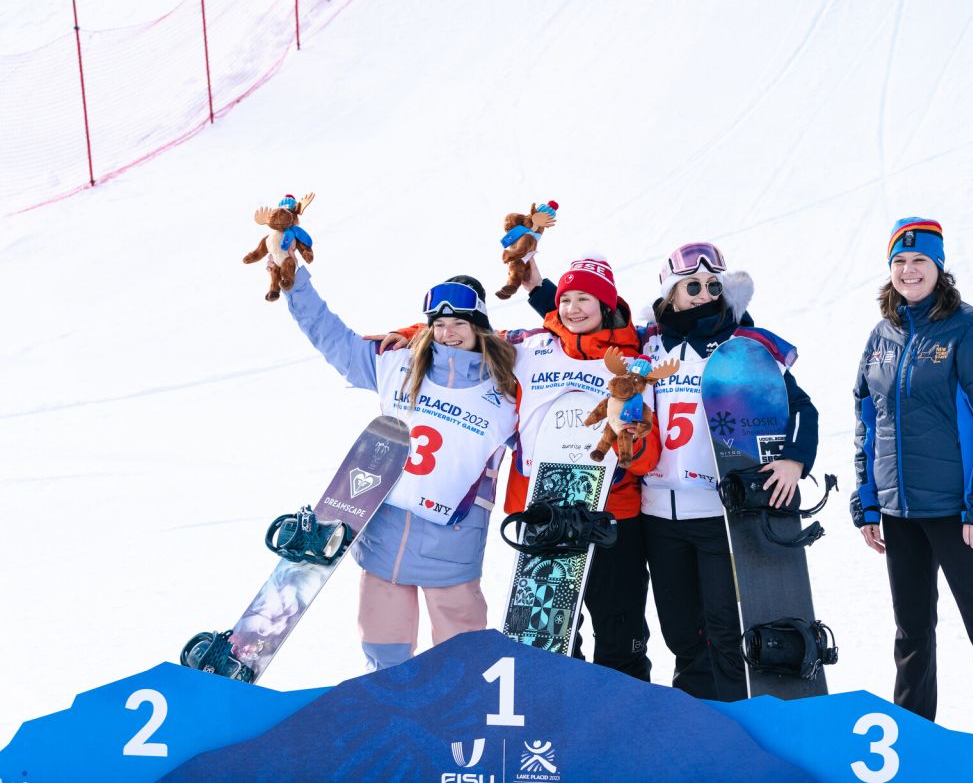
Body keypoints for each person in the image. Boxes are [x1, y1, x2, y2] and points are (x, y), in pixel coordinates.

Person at [383, 255, 659, 681]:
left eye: (585, 298)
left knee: (619, 634)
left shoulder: (633, 360)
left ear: (606, 304)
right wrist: (408, 334)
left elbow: (647, 457)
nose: (573, 308)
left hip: (611, 512)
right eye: (566, 299)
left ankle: (622, 728)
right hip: (543, 510)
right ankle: (551, 722)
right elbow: (469, 334)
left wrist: (630, 435)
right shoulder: (531, 347)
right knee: (546, 637)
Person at [849, 217, 973, 782]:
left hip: (959, 514)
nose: (909, 271)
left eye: (921, 262)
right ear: (890, 270)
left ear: (939, 268)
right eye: (900, 262)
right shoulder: (881, 336)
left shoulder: (968, 330)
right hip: (899, 513)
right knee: (911, 635)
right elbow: (866, 419)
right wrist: (868, 502)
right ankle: (907, 758)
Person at [284, 264, 519, 671]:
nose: (449, 333)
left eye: (459, 322)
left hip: (453, 542)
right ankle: (389, 711)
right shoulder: (398, 365)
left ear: (479, 325)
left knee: (462, 657)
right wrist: (294, 285)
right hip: (383, 538)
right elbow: (332, 337)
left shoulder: (508, 386)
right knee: (384, 649)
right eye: (440, 324)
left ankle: (460, 717)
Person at [636, 242, 819, 702]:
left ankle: (736, 723)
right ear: (670, 294)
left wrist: (795, 459)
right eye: (691, 286)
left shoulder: (742, 347)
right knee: (679, 629)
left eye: (712, 285)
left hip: (718, 514)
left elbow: (802, 408)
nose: (702, 294)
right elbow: (586, 323)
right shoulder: (647, 346)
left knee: (724, 627)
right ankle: (694, 723)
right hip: (657, 513)